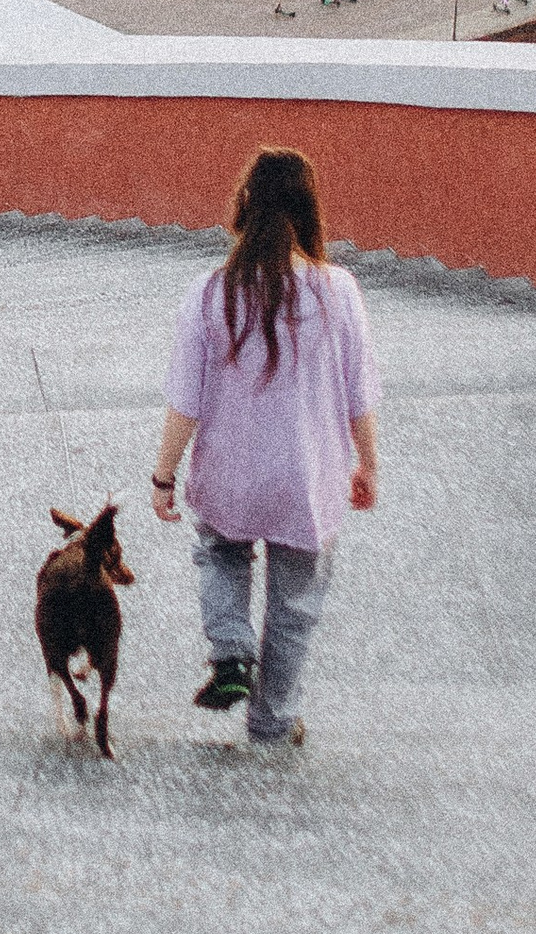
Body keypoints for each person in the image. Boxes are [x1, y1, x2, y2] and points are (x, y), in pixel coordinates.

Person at [150, 148, 380, 748]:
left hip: (231, 473)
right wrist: (369, 465)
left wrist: (163, 475)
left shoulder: (211, 293)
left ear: (244, 207)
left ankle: (230, 651)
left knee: (220, 553)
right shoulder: (340, 291)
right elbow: (361, 394)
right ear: (309, 213)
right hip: (308, 477)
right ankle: (273, 722)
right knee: (295, 603)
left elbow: (185, 398)